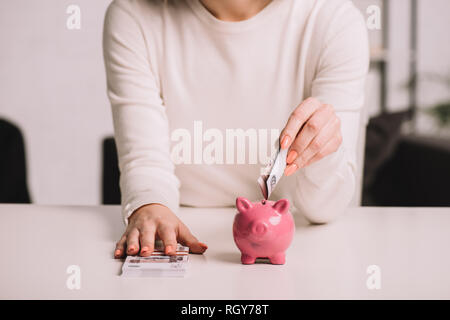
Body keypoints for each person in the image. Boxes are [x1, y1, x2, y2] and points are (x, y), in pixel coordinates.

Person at [102, 0, 369, 258]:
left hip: (305, 243)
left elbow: (325, 208)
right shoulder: (132, 16)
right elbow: (146, 162)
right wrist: (150, 206)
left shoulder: (334, 22)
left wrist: (324, 151)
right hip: (184, 232)